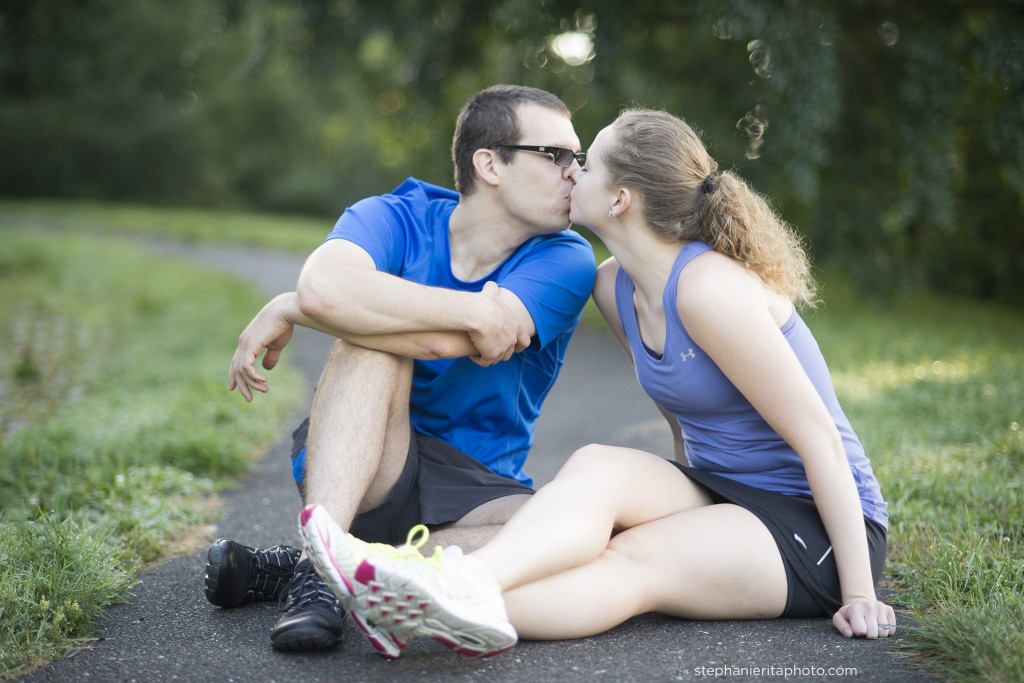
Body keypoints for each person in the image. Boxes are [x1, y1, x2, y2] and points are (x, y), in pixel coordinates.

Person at [297, 107, 896, 658]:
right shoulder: (616, 288)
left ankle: (446, 590)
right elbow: (681, 421)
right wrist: (676, 498)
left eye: (584, 164)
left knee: (632, 559)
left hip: (811, 520)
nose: (571, 173)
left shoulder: (711, 289)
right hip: (724, 489)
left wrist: (859, 591)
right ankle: (415, 592)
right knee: (599, 465)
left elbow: (819, 436)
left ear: (620, 200)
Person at [202, 85, 596, 655]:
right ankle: (319, 575)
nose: (574, 174)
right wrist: (307, 301)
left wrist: (303, 309)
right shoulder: (393, 215)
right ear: (489, 163)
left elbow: (445, 342)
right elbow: (324, 288)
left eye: (577, 159)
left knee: (584, 531)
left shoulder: (565, 256)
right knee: (376, 345)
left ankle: (319, 561)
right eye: (555, 155)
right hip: (365, 456)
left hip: (473, 493)